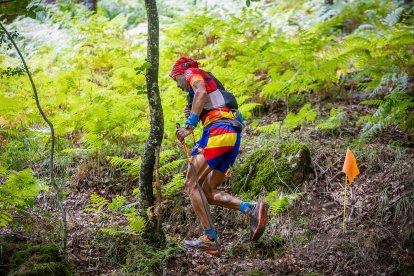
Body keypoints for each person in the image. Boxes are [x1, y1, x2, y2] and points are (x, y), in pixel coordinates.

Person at [171, 57, 268, 254]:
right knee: (206, 190)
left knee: (191, 184)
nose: (178, 85)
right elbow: (206, 98)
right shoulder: (202, 84)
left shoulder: (191, 72)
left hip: (218, 132)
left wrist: (189, 124)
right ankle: (251, 209)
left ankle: (209, 238)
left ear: (181, 72)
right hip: (231, 135)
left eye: (176, 79)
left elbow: (201, 91)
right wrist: (194, 109)